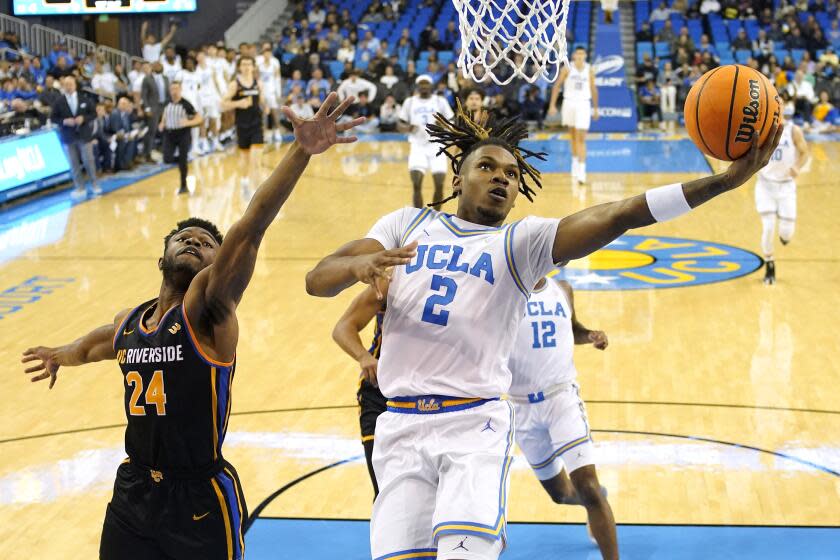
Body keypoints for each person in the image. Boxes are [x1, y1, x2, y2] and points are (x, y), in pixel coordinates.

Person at [304, 102, 782, 560]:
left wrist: (722, 183)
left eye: (512, 175)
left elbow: (622, 213)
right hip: (400, 426)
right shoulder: (406, 223)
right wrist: (358, 264)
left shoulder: (520, 242)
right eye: (487, 167)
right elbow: (317, 279)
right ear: (457, 177)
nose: (502, 178)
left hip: (475, 426)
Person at [21, 91, 365, 560]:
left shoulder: (209, 307)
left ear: (216, 262)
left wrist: (300, 151)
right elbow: (95, 345)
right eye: (183, 238)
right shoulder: (130, 323)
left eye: (205, 243)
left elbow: (251, 225)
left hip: (198, 496)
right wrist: (60, 354)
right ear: (160, 255)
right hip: (134, 489)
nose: (193, 243)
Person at [507, 276, 617, 559]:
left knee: (587, 486)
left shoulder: (562, 289)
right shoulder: (505, 290)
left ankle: (595, 502)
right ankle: (594, 500)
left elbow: (573, 329)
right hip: (521, 407)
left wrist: (590, 334)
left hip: (562, 399)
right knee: (561, 494)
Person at [332, 283, 389, 497]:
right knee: (384, 492)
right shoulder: (391, 281)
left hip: (426, 395)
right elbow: (342, 328)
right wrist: (363, 356)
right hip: (378, 393)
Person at [755, 116, 808, 284]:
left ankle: (784, 236)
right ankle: (769, 264)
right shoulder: (759, 130)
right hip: (765, 185)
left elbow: (804, 151)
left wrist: (798, 166)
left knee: (786, 233)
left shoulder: (793, 130)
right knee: (768, 227)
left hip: (786, 186)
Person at [396, 74, 455, 209]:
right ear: (417, 86)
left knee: (439, 184)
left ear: (431, 85)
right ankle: (418, 215)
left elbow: (452, 122)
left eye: (426, 83)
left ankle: (435, 215)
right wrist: (408, 127)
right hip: (417, 146)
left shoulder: (440, 101)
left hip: (437, 146)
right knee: (416, 184)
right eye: (421, 84)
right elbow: (399, 124)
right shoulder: (410, 101)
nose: (424, 86)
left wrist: (443, 125)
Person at [548, 46, 599, 185]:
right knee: (573, 136)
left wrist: (595, 108)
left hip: (583, 103)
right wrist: (552, 105)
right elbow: (556, 86)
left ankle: (582, 171)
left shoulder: (590, 70)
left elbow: (594, 89)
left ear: (585, 55)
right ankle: (575, 162)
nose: (580, 56)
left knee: (581, 138)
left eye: (583, 53)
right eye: (578, 53)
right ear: (574, 55)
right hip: (569, 102)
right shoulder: (567, 68)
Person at [222, 55, 268, 191]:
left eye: (249, 64)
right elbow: (222, 104)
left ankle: (258, 192)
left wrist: (265, 106)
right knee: (245, 159)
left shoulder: (258, 83)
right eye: (244, 64)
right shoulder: (235, 84)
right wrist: (238, 103)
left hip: (256, 125)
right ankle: (244, 182)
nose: (247, 67)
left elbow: (262, 101)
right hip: (242, 126)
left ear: (253, 67)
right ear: (239, 67)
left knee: (256, 161)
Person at [52, 75, 100, 198]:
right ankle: (80, 187)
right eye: (66, 84)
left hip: (84, 135)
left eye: (71, 84)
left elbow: (93, 113)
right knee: (73, 163)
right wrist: (64, 121)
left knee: (88, 161)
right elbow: (53, 118)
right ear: (63, 86)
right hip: (68, 136)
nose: (68, 87)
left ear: (75, 85)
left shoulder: (84, 98)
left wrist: (84, 118)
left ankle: (95, 184)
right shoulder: (59, 101)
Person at [160, 82, 204, 194]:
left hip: (183, 134)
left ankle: (183, 186)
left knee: (183, 160)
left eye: (176, 89)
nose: (174, 92)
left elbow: (199, 119)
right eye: (172, 89)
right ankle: (180, 160)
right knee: (167, 158)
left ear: (180, 90)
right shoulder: (166, 102)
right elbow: (165, 114)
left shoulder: (186, 104)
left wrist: (188, 122)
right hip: (169, 134)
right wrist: (162, 123)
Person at [141, 62, 170, 162]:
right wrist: (147, 108)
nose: (159, 66)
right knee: (151, 131)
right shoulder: (147, 79)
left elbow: (168, 94)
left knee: (166, 129)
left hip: (164, 107)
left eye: (160, 65)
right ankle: (147, 154)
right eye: (156, 65)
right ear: (152, 67)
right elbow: (144, 95)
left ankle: (164, 150)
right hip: (153, 108)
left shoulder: (165, 78)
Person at [196, 51, 223, 153]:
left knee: (214, 119)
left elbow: (216, 81)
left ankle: (216, 141)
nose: (201, 57)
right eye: (199, 56)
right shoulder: (196, 70)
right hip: (201, 98)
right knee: (202, 121)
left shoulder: (211, 68)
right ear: (197, 58)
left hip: (212, 96)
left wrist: (219, 94)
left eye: (202, 55)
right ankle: (204, 141)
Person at [257, 44, 283, 144]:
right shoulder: (259, 66)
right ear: (263, 54)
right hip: (262, 92)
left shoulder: (274, 65)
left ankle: (277, 131)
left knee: (274, 112)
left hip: (272, 91)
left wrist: (278, 93)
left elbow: (277, 79)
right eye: (265, 54)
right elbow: (258, 79)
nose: (267, 55)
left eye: (268, 53)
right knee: (264, 113)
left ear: (271, 54)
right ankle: (266, 133)